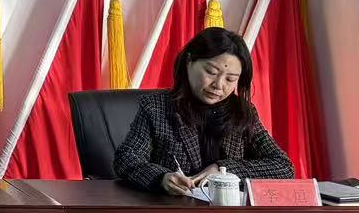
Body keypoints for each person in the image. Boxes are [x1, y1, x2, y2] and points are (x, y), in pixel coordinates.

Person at [114, 26, 295, 195]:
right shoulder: (157, 106)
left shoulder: (241, 111)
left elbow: (283, 166)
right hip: (175, 209)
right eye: (211, 72)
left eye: (230, 79)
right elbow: (127, 158)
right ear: (189, 61)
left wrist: (223, 170)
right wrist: (162, 178)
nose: (219, 85)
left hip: (227, 212)